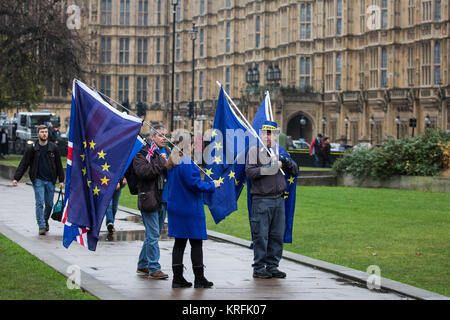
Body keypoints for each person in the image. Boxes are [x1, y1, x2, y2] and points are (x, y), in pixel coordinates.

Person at [245, 120, 299, 279]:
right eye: (265, 133)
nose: (267, 136)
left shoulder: (280, 151)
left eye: (270, 133)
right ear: (261, 134)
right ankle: (259, 267)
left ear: (276, 135)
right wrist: (271, 165)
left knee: (277, 235)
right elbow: (251, 173)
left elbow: (295, 170)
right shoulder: (254, 151)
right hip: (262, 200)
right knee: (261, 235)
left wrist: (286, 162)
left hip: (279, 200)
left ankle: (273, 266)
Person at [166, 136, 220, 288]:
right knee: (196, 243)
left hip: (176, 207)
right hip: (189, 208)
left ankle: (177, 279)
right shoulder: (187, 162)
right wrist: (212, 185)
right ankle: (199, 279)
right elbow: (195, 185)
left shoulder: (172, 163)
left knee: (179, 243)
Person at [133, 124, 170, 280]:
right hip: (148, 197)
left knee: (152, 234)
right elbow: (144, 172)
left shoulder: (167, 152)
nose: (164, 138)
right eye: (161, 135)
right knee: (153, 234)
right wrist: (162, 163)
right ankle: (154, 267)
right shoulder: (142, 153)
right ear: (152, 137)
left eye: (166, 135)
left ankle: (143, 264)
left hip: (163, 198)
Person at [12, 124, 64, 235]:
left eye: (45, 132)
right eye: (42, 132)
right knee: (40, 203)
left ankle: (45, 220)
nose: (44, 134)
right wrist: (16, 178)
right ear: (38, 134)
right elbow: (24, 164)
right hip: (38, 180)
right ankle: (41, 226)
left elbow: (59, 165)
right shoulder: (32, 149)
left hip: (51, 180)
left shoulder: (53, 148)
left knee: (49, 204)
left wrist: (61, 180)